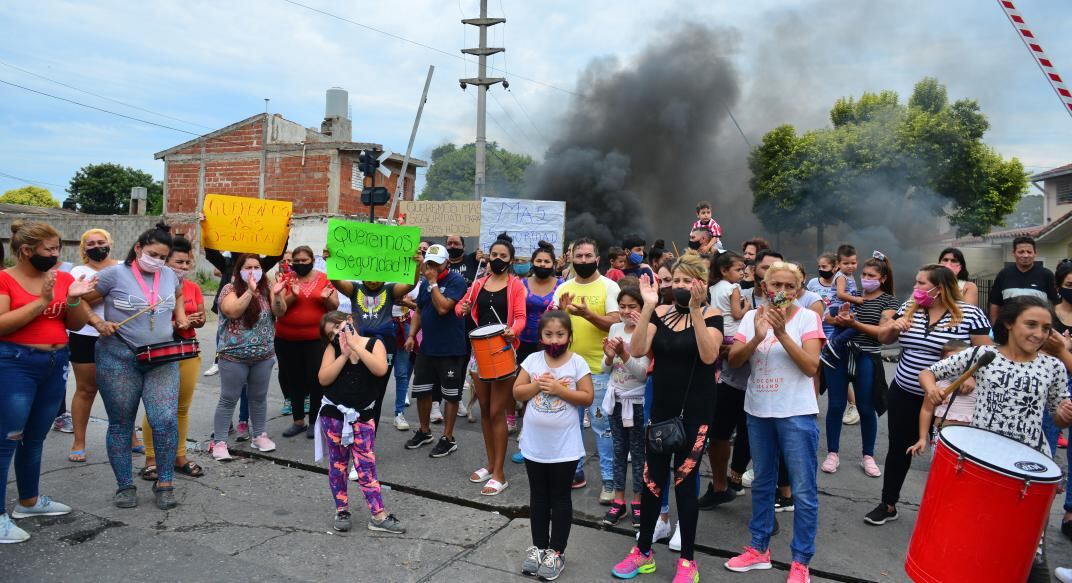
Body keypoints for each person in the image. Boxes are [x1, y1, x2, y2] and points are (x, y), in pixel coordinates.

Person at [611, 254, 722, 582]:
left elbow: (709, 355)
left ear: (701, 284)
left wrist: (698, 310)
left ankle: (688, 561)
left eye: (688, 281)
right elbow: (640, 349)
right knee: (651, 482)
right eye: (676, 281)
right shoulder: (660, 312)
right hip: (661, 410)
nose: (681, 286)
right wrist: (647, 306)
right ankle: (643, 552)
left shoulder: (713, 315)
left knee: (684, 485)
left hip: (696, 413)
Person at [864, 264, 990, 526]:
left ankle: (946, 511)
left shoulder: (970, 314)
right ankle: (888, 504)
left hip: (945, 401)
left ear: (940, 288)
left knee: (948, 457)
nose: (915, 289)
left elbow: (987, 357)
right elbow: (885, 340)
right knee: (899, 448)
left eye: (921, 284)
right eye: (915, 283)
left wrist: (973, 379)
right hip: (904, 391)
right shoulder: (911, 306)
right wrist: (895, 325)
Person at [724, 261, 823, 583]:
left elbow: (811, 366)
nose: (781, 292)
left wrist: (781, 333)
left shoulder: (809, 318)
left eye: (789, 287)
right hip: (758, 411)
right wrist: (757, 337)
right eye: (775, 285)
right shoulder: (752, 316)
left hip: (796, 413)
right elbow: (736, 360)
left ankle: (800, 562)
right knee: (763, 484)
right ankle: (758, 549)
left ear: (798, 290)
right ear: (766, 287)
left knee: (804, 490)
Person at [0, 221, 94, 543]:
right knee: (7, 438)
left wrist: (71, 300)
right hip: (15, 363)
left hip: (55, 363)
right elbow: (1, 325)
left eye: (58, 249)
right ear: (26, 250)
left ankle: (28, 501)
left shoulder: (64, 278)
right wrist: (42, 300)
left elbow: (77, 322)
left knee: (35, 436)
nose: (56, 255)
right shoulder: (4, 278)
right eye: (49, 249)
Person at [85, 223, 188, 510]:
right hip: (118, 357)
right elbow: (80, 300)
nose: (157, 261)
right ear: (138, 248)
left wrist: (179, 318)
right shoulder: (113, 274)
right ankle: (124, 485)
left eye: (163, 257)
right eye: (153, 254)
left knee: (164, 420)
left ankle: (165, 482)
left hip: (161, 358)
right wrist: (98, 323)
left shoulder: (168, 275)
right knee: (121, 423)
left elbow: (177, 296)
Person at [514, 310, 594, 580]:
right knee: (538, 497)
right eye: (548, 334)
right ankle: (538, 548)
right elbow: (517, 391)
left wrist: (560, 391)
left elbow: (587, 397)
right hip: (535, 445)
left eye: (560, 334)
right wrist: (538, 386)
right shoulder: (533, 360)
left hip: (565, 447)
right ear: (540, 336)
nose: (554, 339)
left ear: (569, 337)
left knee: (560, 497)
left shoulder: (577, 363)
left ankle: (556, 551)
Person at [315, 311, 403, 534]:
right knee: (338, 464)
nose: (337, 332)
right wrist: (343, 355)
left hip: (363, 417)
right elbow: (323, 379)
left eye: (338, 325)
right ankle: (341, 509)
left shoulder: (374, 344)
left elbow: (380, 369)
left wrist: (355, 346)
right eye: (331, 332)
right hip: (334, 415)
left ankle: (378, 515)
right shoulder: (332, 349)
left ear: (350, 320)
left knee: (366, 466)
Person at [458, 234, 527, 496]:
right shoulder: (478, 284)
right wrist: (462, 308)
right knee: (485, 410)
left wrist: (513, 330)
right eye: (494, 255)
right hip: (478, 352)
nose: (497, 260)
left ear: (510, 261)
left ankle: (500, 473)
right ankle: (490, 464)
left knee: (498, 411)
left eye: (503, 256)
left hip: (503, 350)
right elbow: (460, 310)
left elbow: (520, 317)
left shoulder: (515, 286)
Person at [554, 238, 621, 497]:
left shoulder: (609, 287)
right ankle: (576, 472)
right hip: (568, 368)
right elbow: (556, 327)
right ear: (570, 258)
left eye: (587, 256)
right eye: (578, 256)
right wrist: (561, 313)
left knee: (602, 428)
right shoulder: (563, 288)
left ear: (597, 258)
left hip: (599, 370)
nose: (583, 260)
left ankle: (609, 481)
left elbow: (615, 324)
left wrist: (587, 315)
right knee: (569, 424)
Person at [822, 254, 898, 477]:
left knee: (866, 408)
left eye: (871, 276)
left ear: (882, 278)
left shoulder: (889, 301)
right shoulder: (852, 294)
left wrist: (855, 323)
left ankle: (868, 456)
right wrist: (838, 319)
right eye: (863, 274)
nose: (865, 278)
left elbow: (883, 333)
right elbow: (828, 316)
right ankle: (832, 454)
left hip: (867, 356)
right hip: (840, 354)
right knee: (835, 406)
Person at [68, 228, 139, 462]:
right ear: (83, 248)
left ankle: (131, 437)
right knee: (86, 390)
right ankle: (79, 441)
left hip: (121, 336)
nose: (96, 246)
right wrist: (107, 292)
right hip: (85, 335)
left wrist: (98, 290)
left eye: (101, 241)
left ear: (110, 243)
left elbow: (129, 295)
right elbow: (77, 300)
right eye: (90, 243)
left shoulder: (123, 267)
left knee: (124, 392)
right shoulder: (78, 271)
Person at [140, 236, 207, 480]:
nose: (184, 267)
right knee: (156, 409)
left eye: (188, 263)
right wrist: (177, 322)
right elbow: (145, 322)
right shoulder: (151, 286)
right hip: (159, 350)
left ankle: (179, 455)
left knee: (181, 408)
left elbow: (199, 317)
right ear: (165, 262)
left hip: (187, 349)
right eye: (179, 262)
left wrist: (195, 321)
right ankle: (151, 458)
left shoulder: (193, 287)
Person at [210, 254, 289, 461]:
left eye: (256, 266)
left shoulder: (267, 288)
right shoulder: (229, 289)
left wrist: (279, 295)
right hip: (233, 357)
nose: (253, 270)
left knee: (258, 397)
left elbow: (279, 312)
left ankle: (259, 435)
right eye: (248, 267)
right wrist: (249, 292)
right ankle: (219, 442)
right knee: (228, 399)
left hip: (263, 355)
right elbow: (233, 311)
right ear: (239, 270)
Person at [404, 244, 468, 457]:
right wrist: (412, 335)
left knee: (450, 395)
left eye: (436, 263)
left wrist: (432, 283)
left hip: (450, 349)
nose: (431, 267)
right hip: (427, 348)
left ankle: (448, 438)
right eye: (428, 263)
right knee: (422, 390)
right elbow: (419, 312)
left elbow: (443, 308)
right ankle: (424, 431)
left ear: (446, 263)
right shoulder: (423, 285)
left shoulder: (456, 281)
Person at [698, 251, 750, 507]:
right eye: (740, 268)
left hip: (725, 344)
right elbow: (738, 315)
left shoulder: (713, 287)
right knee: (720, 431)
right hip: (733, 349)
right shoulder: (736, 288)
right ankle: (722, 485)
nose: (743, 272)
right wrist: (748, 307)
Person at [276, 246, 339, 439]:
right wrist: (292, 296)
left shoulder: (324, 278)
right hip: (287, 340)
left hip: (315, 341)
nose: (301, 264)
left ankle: (314, 421)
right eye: (297, 261)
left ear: (312, 260)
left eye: (304, 260)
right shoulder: (285, 279)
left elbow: (334, 306)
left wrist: (326, 299)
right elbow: (279, 311)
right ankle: (298, 421)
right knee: (294, 380)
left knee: (315, 381)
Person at [600, 287, 650, 528]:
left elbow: (642, 374)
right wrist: (609, 356)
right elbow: (604, 367)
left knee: (638, 453)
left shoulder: (648, 330)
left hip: (637, 401)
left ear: (642, 308)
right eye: (623, 306)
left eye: (633, 307)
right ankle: (618, 501)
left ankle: (638, 501)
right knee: (619, 450)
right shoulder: (615, 328)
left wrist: (624, 354)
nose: (626, 311)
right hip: (616, 399)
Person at [512, 242, 563, 464]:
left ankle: (548, 441)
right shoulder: (520, 284)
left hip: (549, 346)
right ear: (533, 262)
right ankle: (526, 438)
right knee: (526, 390)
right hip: (523, 343)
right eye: (539, 261)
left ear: (553, 264)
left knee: (546, 392)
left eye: (546, 261)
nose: (542, 264)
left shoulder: (562, 285)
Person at [906, 340, 973, 457]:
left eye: (960, 360)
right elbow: (927, 410)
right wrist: (922, 438)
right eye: (949, 360)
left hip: (970, 437)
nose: (955, 365)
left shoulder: (977, 383)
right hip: (942, 435)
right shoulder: (936, 384)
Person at [989, 236, 1059, 324]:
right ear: (1014, 253)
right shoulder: (1004, 274)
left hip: (1037, 328)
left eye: (1029, 252)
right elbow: (995, 304)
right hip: (1008, 328)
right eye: (1021, 252)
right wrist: (994, 327)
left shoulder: (1046, 275)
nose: (1025, 255)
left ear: (1035, 253)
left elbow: (1055, 304)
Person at [819, 244, 859, 365]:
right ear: (838, 264)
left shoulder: (849, 276)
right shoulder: (841, 276)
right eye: (846, 263)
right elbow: (840, 294)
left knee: (839, 328)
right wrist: (857, 300)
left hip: (843, 306)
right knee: (856, 325)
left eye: (853, 263)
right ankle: (836, 343)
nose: (850, 266)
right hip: (838, 307)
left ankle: (827, 350)